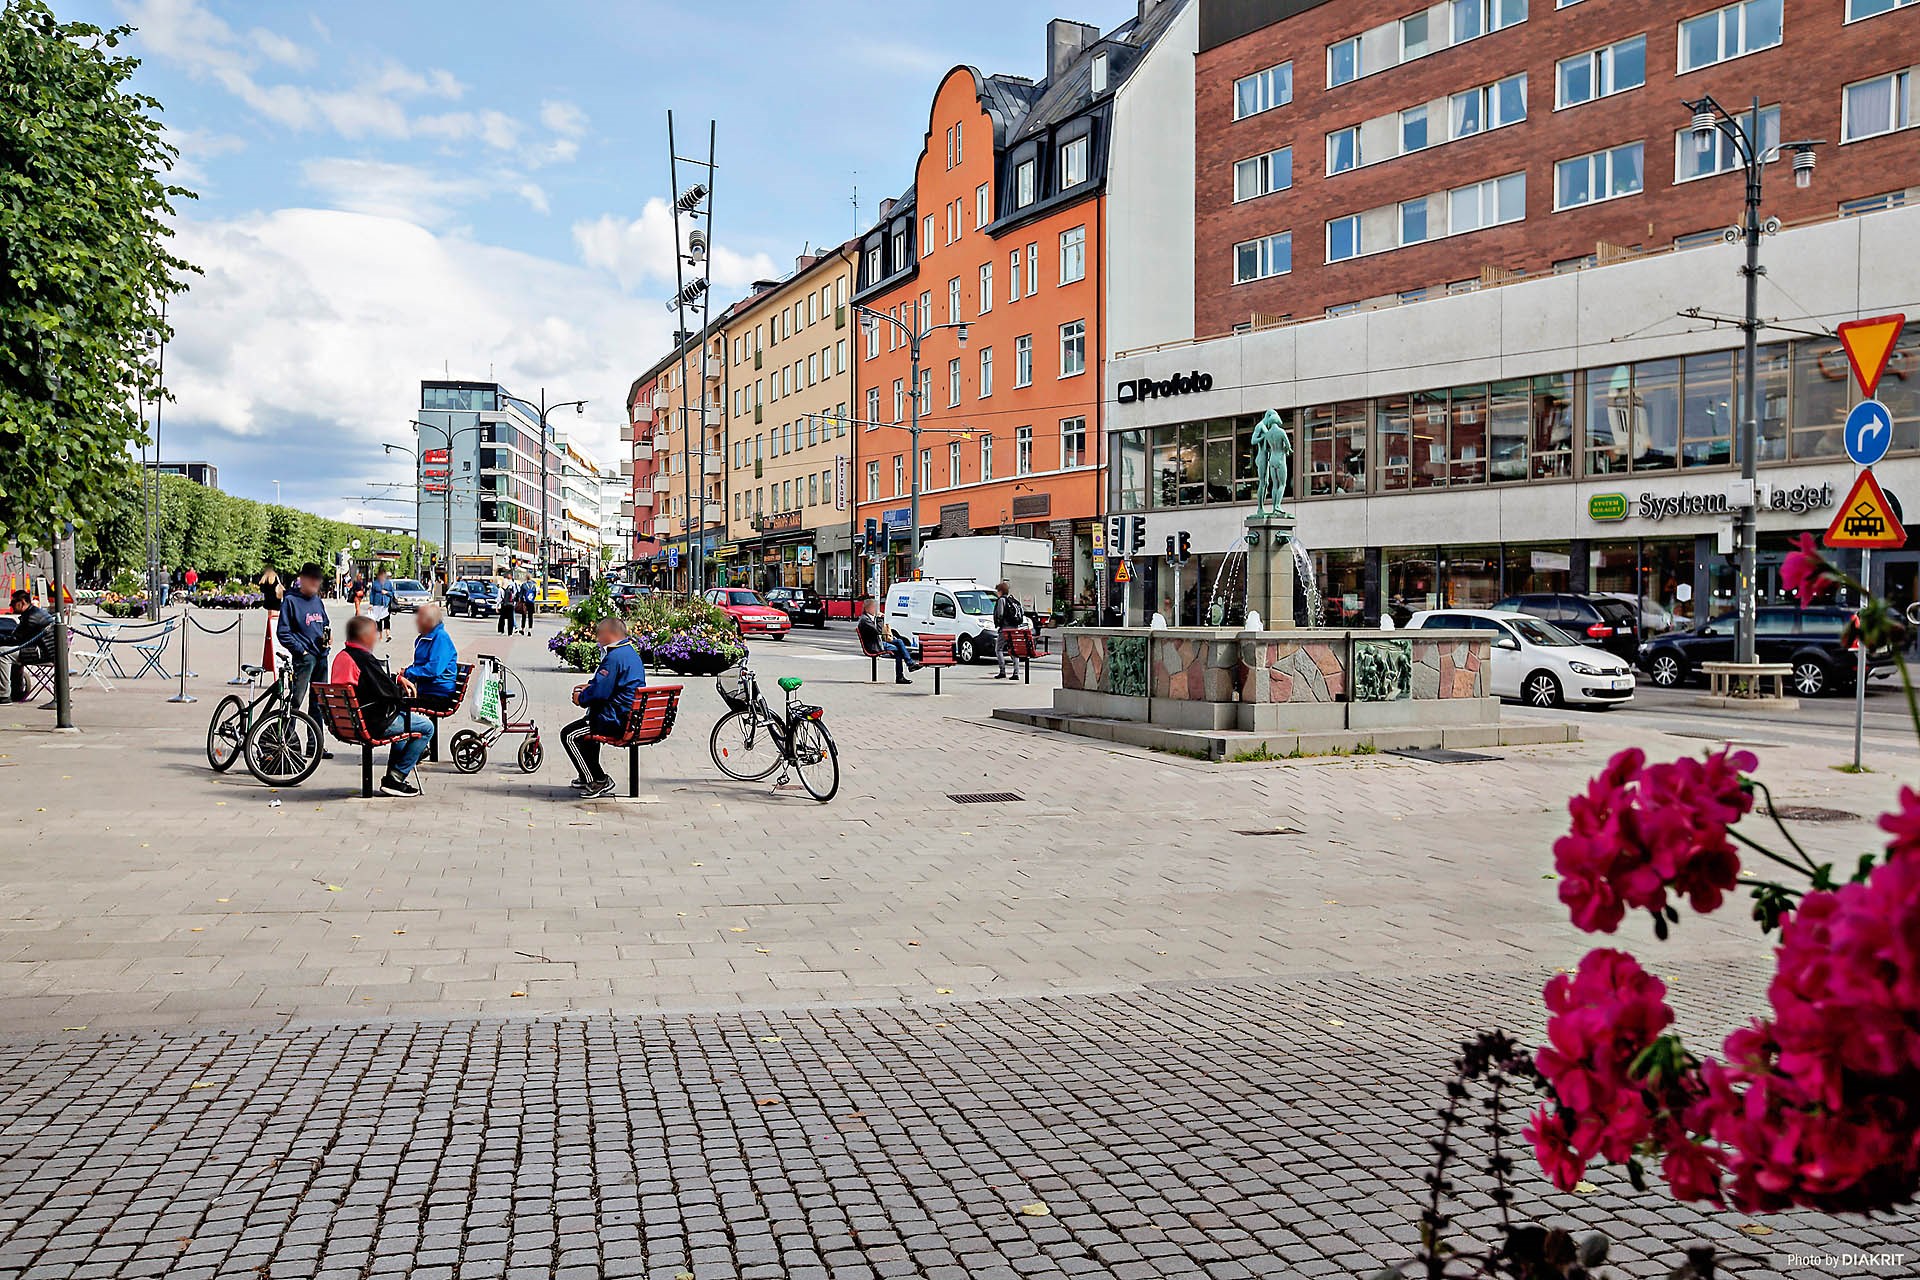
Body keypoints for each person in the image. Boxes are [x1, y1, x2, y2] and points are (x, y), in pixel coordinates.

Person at [328, 615, 433, 797]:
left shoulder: (342, 656)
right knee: (426, 727)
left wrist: (397, 679)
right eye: (374, 633)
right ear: (364, 636)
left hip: (347, 723)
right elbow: (388, 693)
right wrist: (404, 694)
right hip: (371, 723)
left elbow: (376, 683)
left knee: (403, 731)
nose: (377, 637)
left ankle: (393, 779)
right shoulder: (364, 660)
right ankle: (397, 777)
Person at [561, 616, 647, 799]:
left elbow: (600, 692)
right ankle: (588, 775)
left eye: (600, 634)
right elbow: (607, 684)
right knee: (585, 734)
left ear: (612, 634)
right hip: (629, 716)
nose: (597, 639)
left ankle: (597, 779)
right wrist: (591, 685)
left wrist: (581, 698)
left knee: (569, 735)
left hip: (614, 719)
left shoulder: (614, 657)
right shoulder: (630, 653)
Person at [277, 563, 331, 717]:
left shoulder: (317, 601)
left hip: (321, 656)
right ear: (303, 579)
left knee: (319, 703)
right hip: (305, 659)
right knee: (296, 702)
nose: (316, 583)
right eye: (312, 579)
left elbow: (325, 623)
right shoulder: (291, 601)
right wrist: (302, 652)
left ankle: (315, 741)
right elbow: (283, 632)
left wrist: (328, 637)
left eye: (318, 579)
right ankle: (287, 737)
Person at [402, 602, 459, 713]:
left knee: (398, 704)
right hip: (426, 690)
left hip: (439, 694)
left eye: (419, 617)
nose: (416, 621)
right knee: (390, 697)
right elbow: (420, 665)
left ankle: (420, 729)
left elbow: (433, 669)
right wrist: (405, 674)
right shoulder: (425, 638)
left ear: (429, 621)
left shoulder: (441, 638)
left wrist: (409, 672)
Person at [0, 589, 56, 704]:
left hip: (42, 652)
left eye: (13, 603)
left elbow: (16, 640)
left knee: (3, 654)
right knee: (11, 653)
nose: (11, 606)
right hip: (48, 650)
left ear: (22, 602)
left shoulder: (31, 617)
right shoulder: (35, 612)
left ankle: (3, 695)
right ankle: (16, 691)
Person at [856, 595, 919, 684]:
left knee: (899, 641)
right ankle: (901, 674)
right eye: (873, 608)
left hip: (877, 642)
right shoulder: (865, 620)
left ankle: (910, 663)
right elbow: (878, 631)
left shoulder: (867, 618)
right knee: (898, 651)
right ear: (867, 609)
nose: (875, 610)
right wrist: (879, 619)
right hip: (874, 645)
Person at [992, 580, 1025, 680]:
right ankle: (1016, 673)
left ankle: (1002, 671)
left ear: (1000, 591)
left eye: (997, 591)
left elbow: (1000, 614)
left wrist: (998, 623)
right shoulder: (1013, 601)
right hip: (1015, 628)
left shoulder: (1002, 600)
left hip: (1005, 629)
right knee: (1013, 650)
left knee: (998, 649)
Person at [368, 569, 396, 638]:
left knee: (387, 619)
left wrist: (386, 592)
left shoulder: (388, 583)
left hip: (386, 603)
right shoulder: (375, 583)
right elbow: (372, 594)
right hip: (377, 603)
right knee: (378, 620)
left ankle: (388, 634)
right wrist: (371, 603)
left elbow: (393, 593)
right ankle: (380, 635)